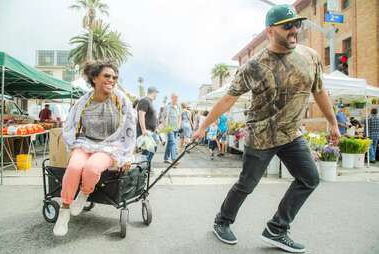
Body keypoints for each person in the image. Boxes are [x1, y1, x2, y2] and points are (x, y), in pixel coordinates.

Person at [193, 4, 340, 253]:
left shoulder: (310, 57)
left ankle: (277, 228)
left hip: (292, 135)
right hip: (261, 136)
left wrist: (333, 122)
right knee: (246, 184)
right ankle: (222, 221)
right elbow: (227, 99)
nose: (294, 30)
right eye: (287, 26)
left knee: (310, 179)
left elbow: (319, 91)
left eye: (297, 24)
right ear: (270, 31)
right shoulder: (253, 66)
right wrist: (202, 127)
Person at [53, 60, 136, 236]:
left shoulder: (121, 100)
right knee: (74, 167)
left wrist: (127, 156)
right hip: (85, 143)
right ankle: (65, 209)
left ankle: (84, 194)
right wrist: (72, 144)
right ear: (95, 78)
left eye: (114, 77)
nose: (111, 80)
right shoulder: (83, 102)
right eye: (107, 76)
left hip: (111, 146)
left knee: (91, 168)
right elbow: (69, 124)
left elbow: (130, 129)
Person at [137, 86, 159, 162]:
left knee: (153, 148)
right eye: (156, 93)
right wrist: (143, 130)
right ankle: (142, 168)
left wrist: (156, 128)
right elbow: (141, 115)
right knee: (146, 151)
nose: (157, 95)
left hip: (151, 131)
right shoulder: (145, 101)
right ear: (154, 92)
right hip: (146, 131)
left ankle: (146, 166)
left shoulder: (150, 102)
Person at [164, 93, 181, 164]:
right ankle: (174, 159)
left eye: (177, 97)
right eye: (175, 97)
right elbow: (166, 117)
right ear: (171, 97)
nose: (176, 98)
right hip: (169, 127)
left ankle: (166, 158)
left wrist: (179, 125)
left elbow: (179, 117)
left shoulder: (179, 106)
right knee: (173, 142)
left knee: (170, 143)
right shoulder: (168, 106)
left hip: (176, 127)